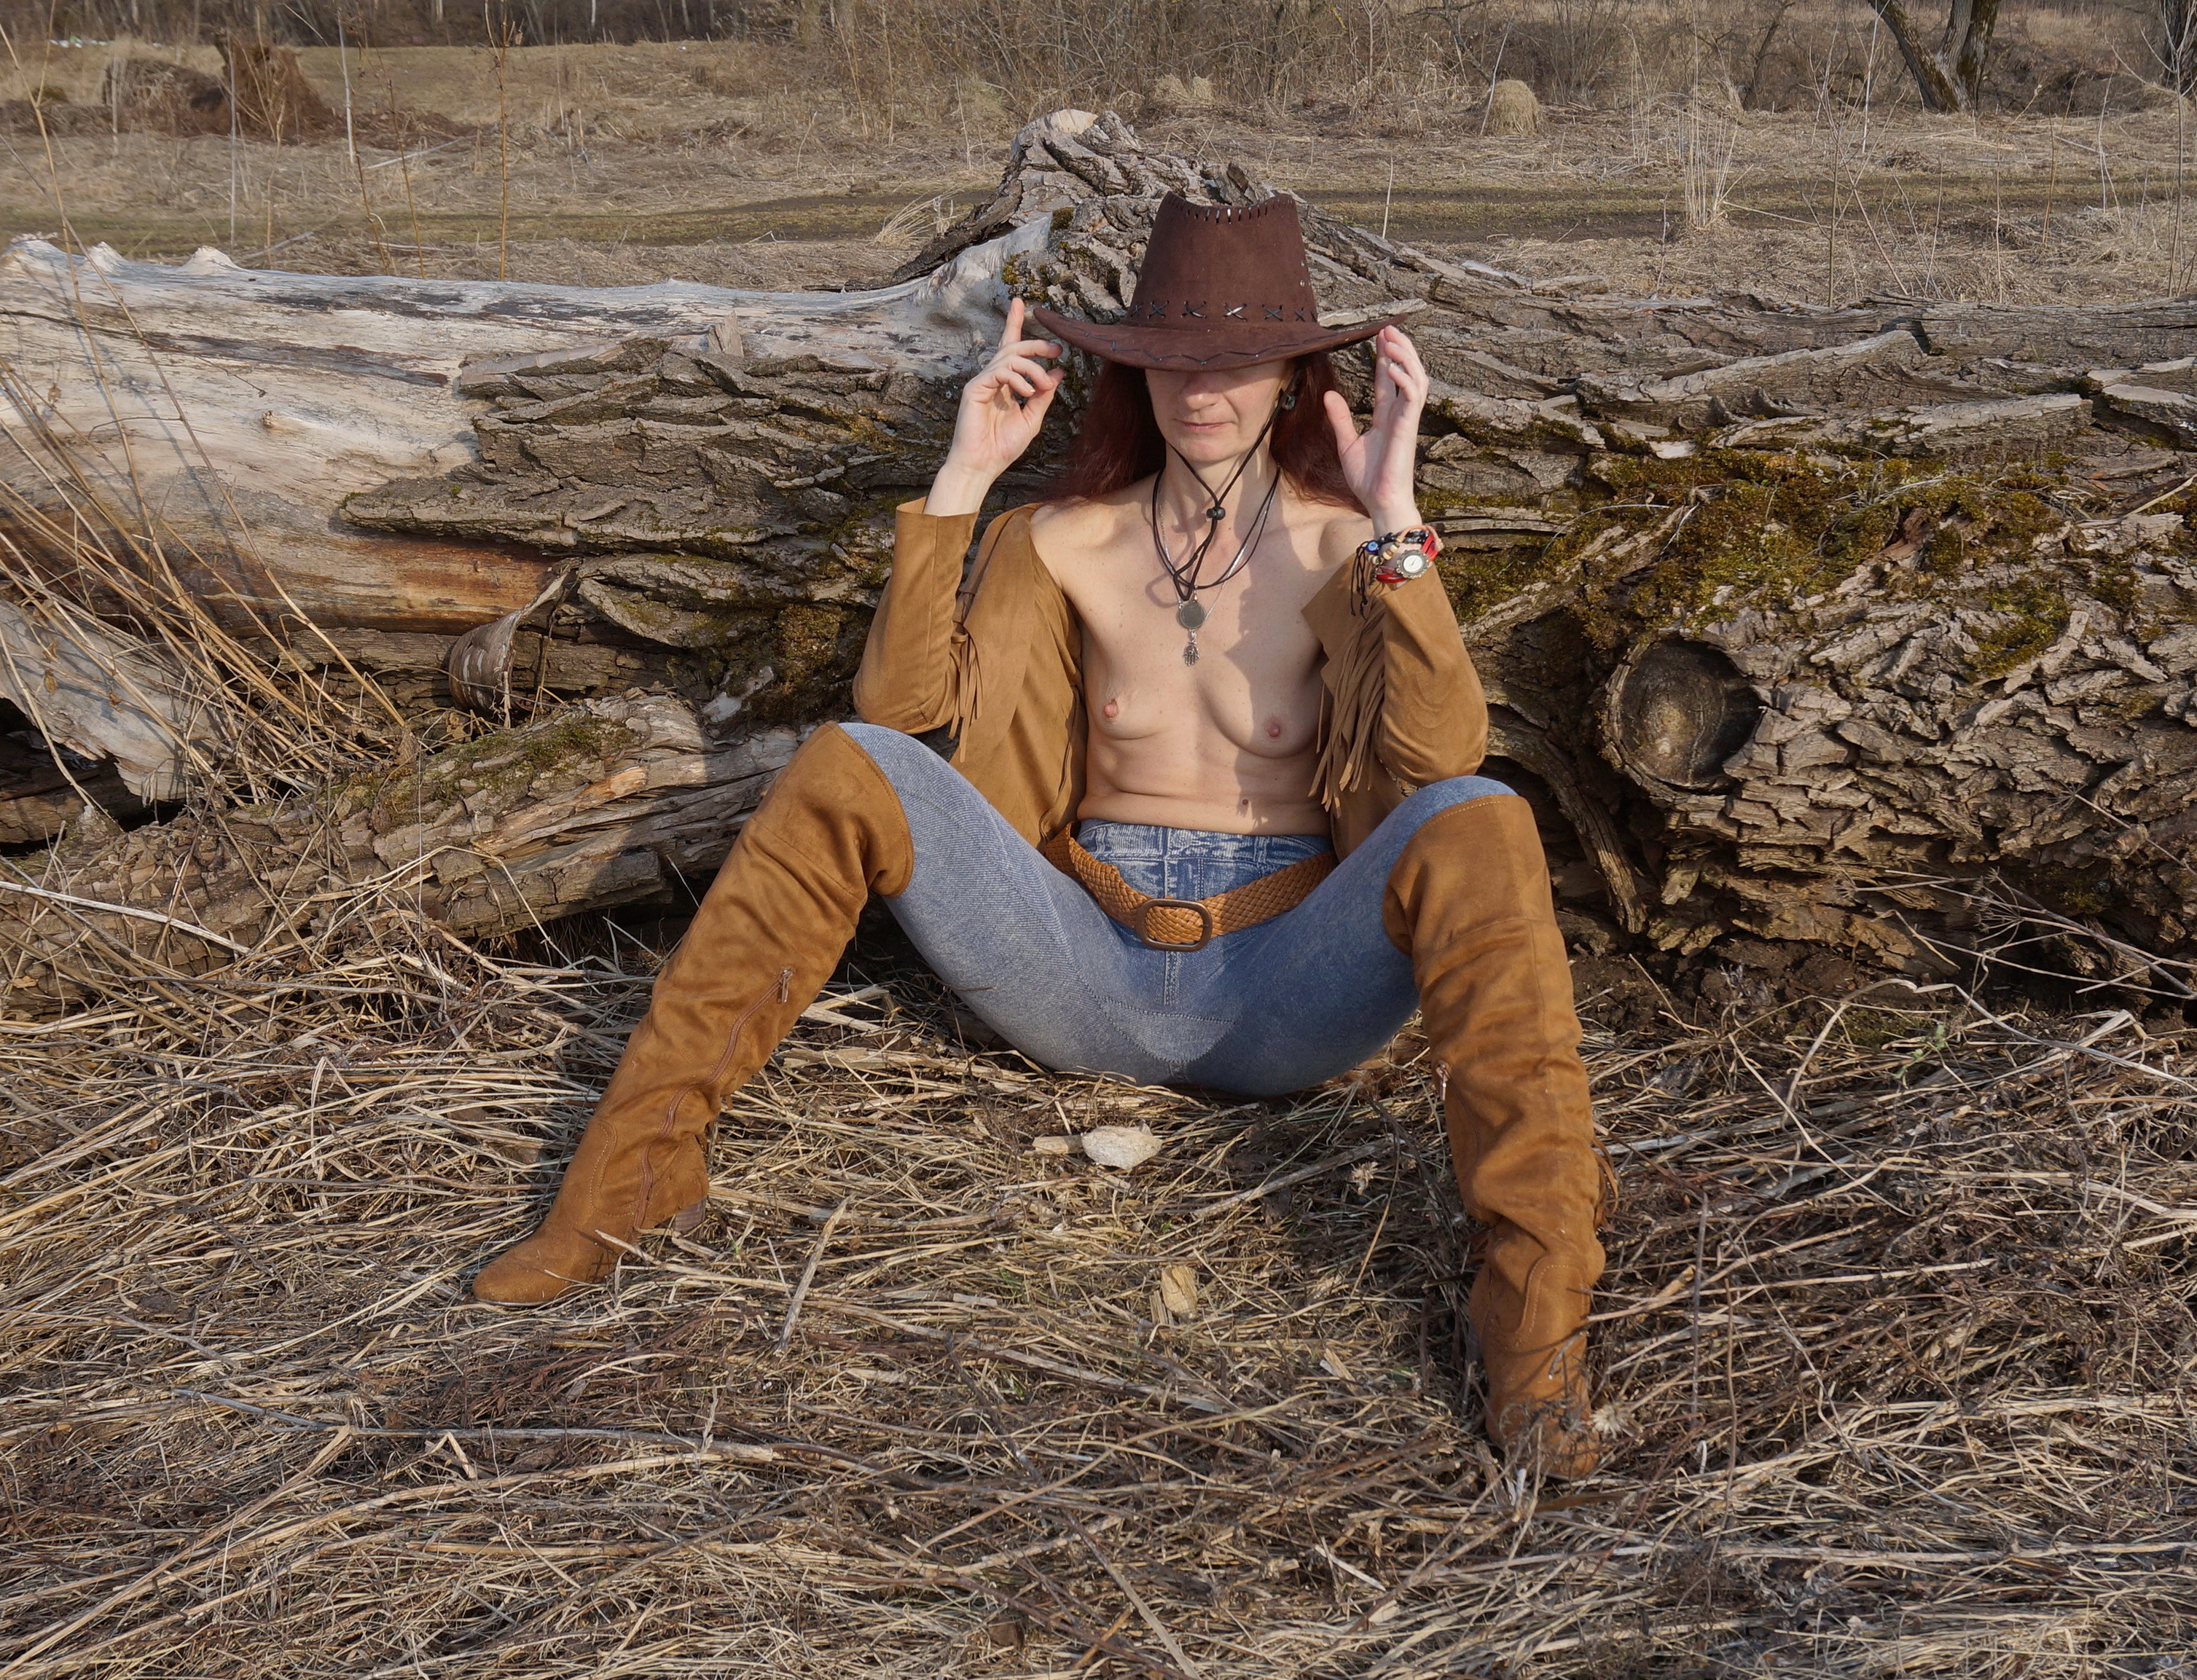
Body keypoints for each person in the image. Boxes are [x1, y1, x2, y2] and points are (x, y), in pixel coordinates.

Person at [470, 193, 1613, 1473]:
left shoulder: (1354, 548)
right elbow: (900, 715)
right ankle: (626, 1183)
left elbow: (1441, 753)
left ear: (1296, 373)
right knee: (846, 763)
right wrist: (964, 480)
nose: (1203, 392)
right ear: (1135, 371)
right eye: (1172, 361)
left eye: (1237, 362)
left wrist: (1397, 512)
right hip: (1077, 953)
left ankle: (1535, 1347)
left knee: (1483, 814)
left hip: (1288, 979)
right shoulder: (1062, 540)